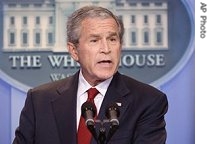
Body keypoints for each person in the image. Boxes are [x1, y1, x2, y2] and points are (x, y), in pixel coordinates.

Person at [13, 6, 168, 144]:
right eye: (94, 40)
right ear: (74, 51)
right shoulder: (39, 100)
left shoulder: (148, 101)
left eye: (112, 39)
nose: (106, 49)